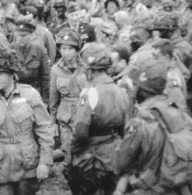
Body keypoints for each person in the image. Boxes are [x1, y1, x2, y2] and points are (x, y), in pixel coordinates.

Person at [0, 47, 54, 195]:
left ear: (12, 74)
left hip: (27, 164)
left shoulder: (30, 95)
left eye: (0, 73)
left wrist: (45, 161)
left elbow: (45, 129)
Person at [114, 60, 192, 195]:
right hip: (179, 184)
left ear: (142, 90)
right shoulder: (181, 113)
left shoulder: (141, 121)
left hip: (151, 187)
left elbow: (121, 163)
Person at [66, 50, 130, 195]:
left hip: (91, 156)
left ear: (90, 71)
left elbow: (80, 131)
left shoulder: (89, 93)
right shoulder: (121, 91)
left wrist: (74, 150)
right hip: (114, 151)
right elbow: (126, 127)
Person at [49, 28, 87, 163]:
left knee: (84, 151)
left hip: (84, 115)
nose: (66, 52)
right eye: (63, 48)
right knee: (67, 151)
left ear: (77, 50)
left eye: (70, 49)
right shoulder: (55, 70)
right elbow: (53, 99)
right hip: (65, 116)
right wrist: (52, 123)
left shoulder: (86, 68)